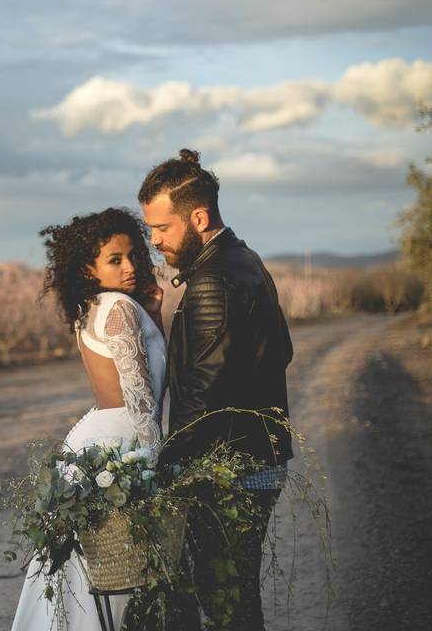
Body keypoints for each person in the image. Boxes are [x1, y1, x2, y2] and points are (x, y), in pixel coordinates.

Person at [138, 149, 295, 630]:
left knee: (226, 604)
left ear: (198, 217)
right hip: (254, 461)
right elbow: (281, 350)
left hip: (232, 468)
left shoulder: (213, 281)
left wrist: (160, 474)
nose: (154, 241)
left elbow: (202, 396)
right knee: (235, 598)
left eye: (161, 228)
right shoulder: (243, 259)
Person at [10, 207, 167, 631]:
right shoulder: (118, 308)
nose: (131, 266)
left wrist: (152, 311)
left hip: (97, 442)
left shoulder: (96, 305)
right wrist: (156, 465)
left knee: (86, 584)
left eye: (133, 255)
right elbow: (140, 402)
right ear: (88, 267)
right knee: (120, 585)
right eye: (115, 260)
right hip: (123, 446)